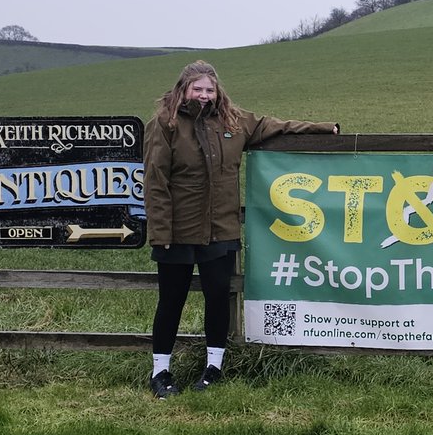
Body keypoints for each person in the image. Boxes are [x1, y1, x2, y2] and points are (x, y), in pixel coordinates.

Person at [143, 60, 339, 399]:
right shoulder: (165, 123)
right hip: (177, 230)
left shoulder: (233, 121)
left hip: (221, 229)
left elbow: (275, 125)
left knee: (218, 296)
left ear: (218, 91)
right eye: (197, 89)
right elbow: (155, 182)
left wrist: (322, 128)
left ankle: (213, 367)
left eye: (209, 89)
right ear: (183, 89)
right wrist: (161, 233)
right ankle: (160, 371)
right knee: (171, 300)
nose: (204, 96)